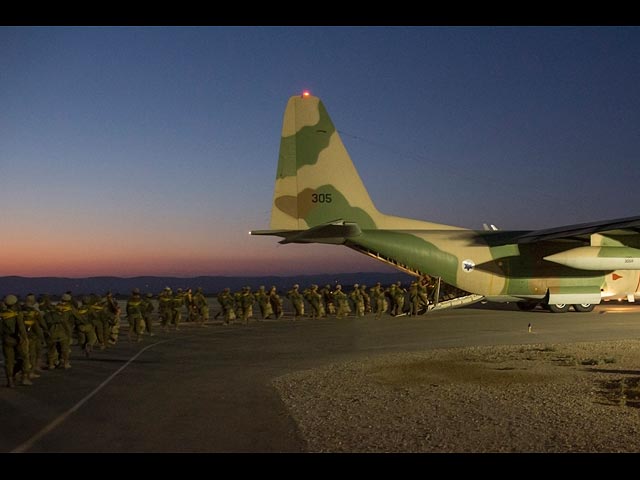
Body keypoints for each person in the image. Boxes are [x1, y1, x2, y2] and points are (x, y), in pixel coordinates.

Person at [1, 295, 32, 387]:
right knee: (25, 357)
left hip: (6, 339)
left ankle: (10, 381)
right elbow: (21, 328)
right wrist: (25, 339)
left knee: (9, 361)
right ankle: (25, 378)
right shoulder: (17, 314)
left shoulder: (2, 314)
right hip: (16, 339)